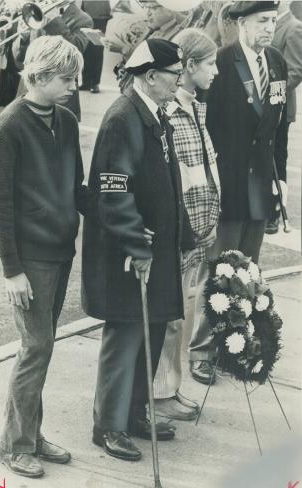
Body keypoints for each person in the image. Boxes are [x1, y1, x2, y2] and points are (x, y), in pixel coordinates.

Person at [82, 38, 196, 461]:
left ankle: (133, 412)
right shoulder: (122, 118)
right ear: (151, 76)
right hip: (129, 253)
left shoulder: (151, 113)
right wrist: (137, 244)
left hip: (156, 248)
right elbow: (113, 192)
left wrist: (178, 237)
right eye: (174, 76)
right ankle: (108, 426)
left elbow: (164, 185)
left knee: (149, 331)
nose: (178, 82)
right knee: (126, 334)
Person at [0, 35, 86, 478]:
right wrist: (12, 270)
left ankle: (29, 434)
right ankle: (15, 445)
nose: (75, 85)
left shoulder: (64, 119)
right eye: (66, 78)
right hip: (29, 259)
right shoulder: (8, 126)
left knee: (41, 348)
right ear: (39, 75)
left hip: (61, 250)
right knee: (36, 346)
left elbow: (78, 186)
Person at [188, 1, 289, 385]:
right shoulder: (222, 63)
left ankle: (234, 346)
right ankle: (202, 351)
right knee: (217, 271)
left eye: (273, 21)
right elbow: (205, 127)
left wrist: (280, 178)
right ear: (241, 22)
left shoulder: (276, 62)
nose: (269, 27)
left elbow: (278, 126)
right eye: (262, 21)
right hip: (227, 184)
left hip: (261, 183)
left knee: (247, 271)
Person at [153, 28, 220, 420]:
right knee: (172, 316)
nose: (215, 71)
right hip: (184, 231)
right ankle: (160, 392)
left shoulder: (195, 105)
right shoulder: (171, 112)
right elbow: (179, 178)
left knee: (181, 314)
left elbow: (204, 172)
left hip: (198, 228)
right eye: (209, 64)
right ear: (189, 65)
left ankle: (170, 387)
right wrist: (194, 225)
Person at [12, 0, 93, 120]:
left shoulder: (84, 19)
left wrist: (55, 21)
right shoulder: (37, 10)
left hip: (61, 95)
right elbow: (20, 60)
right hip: (29, 90)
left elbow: (76, 51)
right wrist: (23, 38)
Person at [265, 0, 302, 234]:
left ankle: (274, 212)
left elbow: (295, 71)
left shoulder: (294, 27)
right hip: (259, 107)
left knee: (276, 159)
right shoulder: (266, 23)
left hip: (278, 107)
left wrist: (267, 93)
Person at [80, 0, 112, 93]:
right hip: (85, 11)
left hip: (100, 13)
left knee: (97, 48)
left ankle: (95, 83)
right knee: (85, 47)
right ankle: (86, 82)